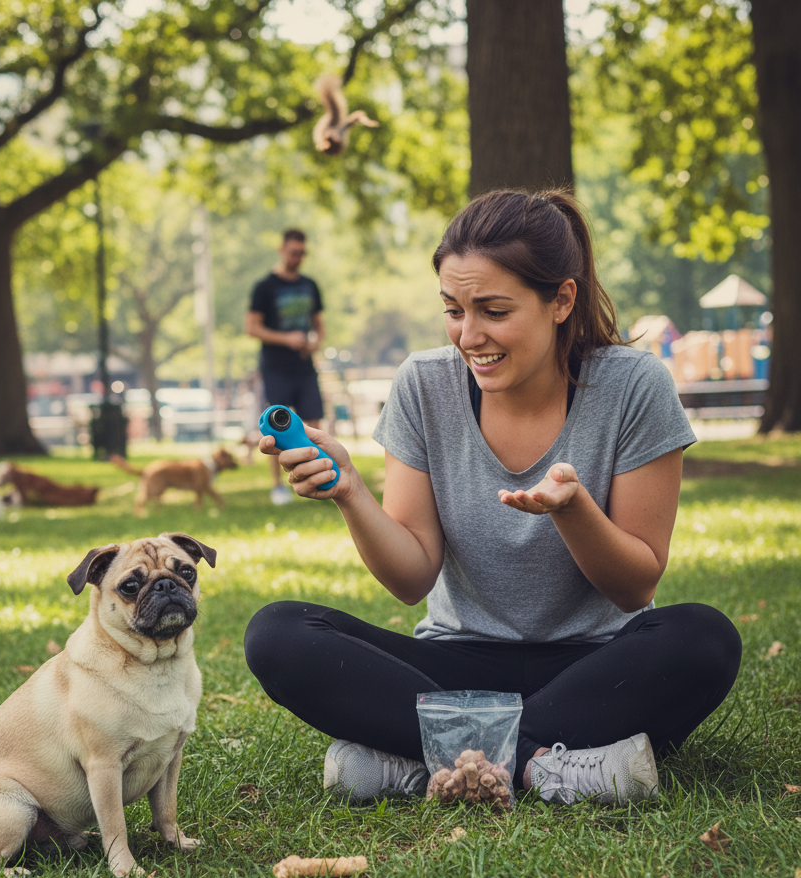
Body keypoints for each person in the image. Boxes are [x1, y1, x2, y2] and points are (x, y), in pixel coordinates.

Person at [244, 189, 741, 808]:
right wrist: (350, 493)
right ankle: (550, 767)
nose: (468, 335)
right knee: (277, 633)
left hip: (594, 665)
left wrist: (574, 510)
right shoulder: (425, 385)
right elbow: (411, 577)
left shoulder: (634, 387)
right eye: (453, 309)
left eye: (494, 311)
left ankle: (424, 765)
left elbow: (636, 587)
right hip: (455, 668)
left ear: (562, 299)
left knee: (705, 638)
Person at [245, 229, 326, 505]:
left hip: (305, 367)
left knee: (314, 423)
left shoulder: (310, 285)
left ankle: (320, 478)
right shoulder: (265, 287)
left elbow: (319, 325)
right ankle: (278, 487)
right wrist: (286, 339)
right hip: (275, 368)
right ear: (281, 250)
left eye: (302, 253)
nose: (297, 258)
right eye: (293, 252)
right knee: (274, 428)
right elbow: (251, 327)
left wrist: (314, 342)